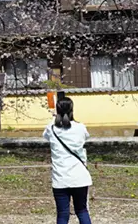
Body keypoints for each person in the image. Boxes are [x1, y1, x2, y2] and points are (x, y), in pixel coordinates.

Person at [43, 94, 92, 224]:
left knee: (62, 214)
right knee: (82, 211)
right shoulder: (80, 127)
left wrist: (54, 118)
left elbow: (46, 136)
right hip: (79, 177)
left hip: (60, 178)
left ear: (57, 110)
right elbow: (86, 137)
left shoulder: (51, 128)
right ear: (72, 110)